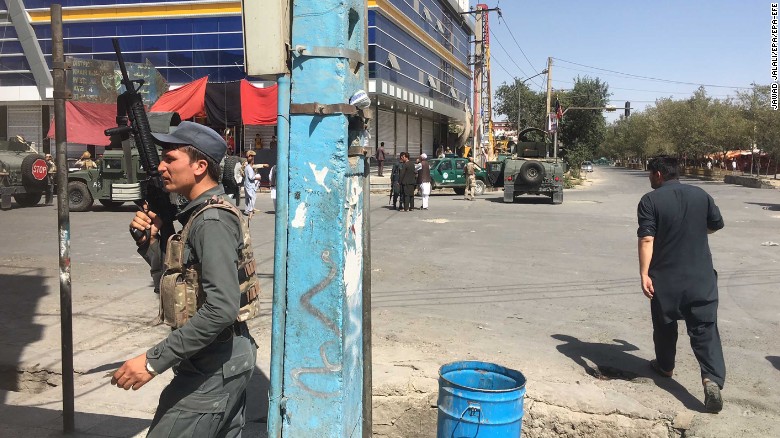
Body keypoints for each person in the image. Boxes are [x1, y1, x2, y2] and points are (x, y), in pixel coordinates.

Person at [116, 121, 260, 437]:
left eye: (170, 159)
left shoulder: (211, 221)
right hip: (214, 359)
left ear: (199, 166)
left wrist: (153, 362)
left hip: (216, 365)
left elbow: (221, 309)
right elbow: (181, 285)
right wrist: (151, 244)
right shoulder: (198, 216)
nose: (161, 166)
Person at [637, 155, 725, 413]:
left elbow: (646, 239)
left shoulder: (650, 200)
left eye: (650, 173)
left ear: (659, 175)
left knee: (665, 326)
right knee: (705, 329)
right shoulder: (701, 195)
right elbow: (715, 225)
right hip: (701, 278)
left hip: (666, 279)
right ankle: (711, 379)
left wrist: (644, 273)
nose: (649, 177)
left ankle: (665, 366)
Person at [244, 150, 267, 218]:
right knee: (252, 198)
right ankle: (250, 211)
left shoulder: (247, 167)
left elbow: (256, 166)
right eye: (252, 156)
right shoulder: (249, 167)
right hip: (250, 186)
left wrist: (263, 165)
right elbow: (251, 177)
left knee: (247, 199)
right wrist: (258, 178)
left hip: (247, 185)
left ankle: (247, 210)